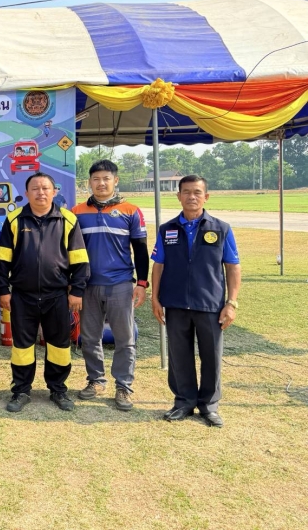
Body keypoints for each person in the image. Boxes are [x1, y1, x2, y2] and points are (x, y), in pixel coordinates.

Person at [151, 175, 241, 428]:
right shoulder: (166, 229)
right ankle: (184, 402)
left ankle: (209, 406)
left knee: (211, 356)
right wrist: (155, 298)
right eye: (186, 192)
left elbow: (233, 267)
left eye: (197, 192)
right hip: (175, 303)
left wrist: (231, 303)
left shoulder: (221, 229)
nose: (192, 196)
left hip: (210, 304)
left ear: (206, 196)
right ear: (178, 196)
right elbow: (158, 265)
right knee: (179, 356)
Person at [0, 172, 89, 413]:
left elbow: (79, 259)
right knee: (22, 346)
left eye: (45, 188)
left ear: (54, 191)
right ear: (26, 193)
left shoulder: (68, 220)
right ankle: (21, 390)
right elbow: (3, 259)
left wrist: (77, 290)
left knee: (59, 345)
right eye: (35, 188)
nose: (41, 192)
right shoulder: (14, 219)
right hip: (22, 296)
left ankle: (58, 389)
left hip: (57, 296)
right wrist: (3, 289)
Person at [71, 160, 148, 411]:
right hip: (88, 285)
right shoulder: (76, 212)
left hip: (120, 285)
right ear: (89, 182)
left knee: (125, 339)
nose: (101, 183)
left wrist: (142, 283)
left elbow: (140, 249)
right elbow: (70, 252)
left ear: (116, 180)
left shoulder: (131, 211)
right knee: (89, 338)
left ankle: (123, 386)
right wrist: (73, 286)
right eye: (96, 179)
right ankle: (96, 380)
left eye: (106, 178)